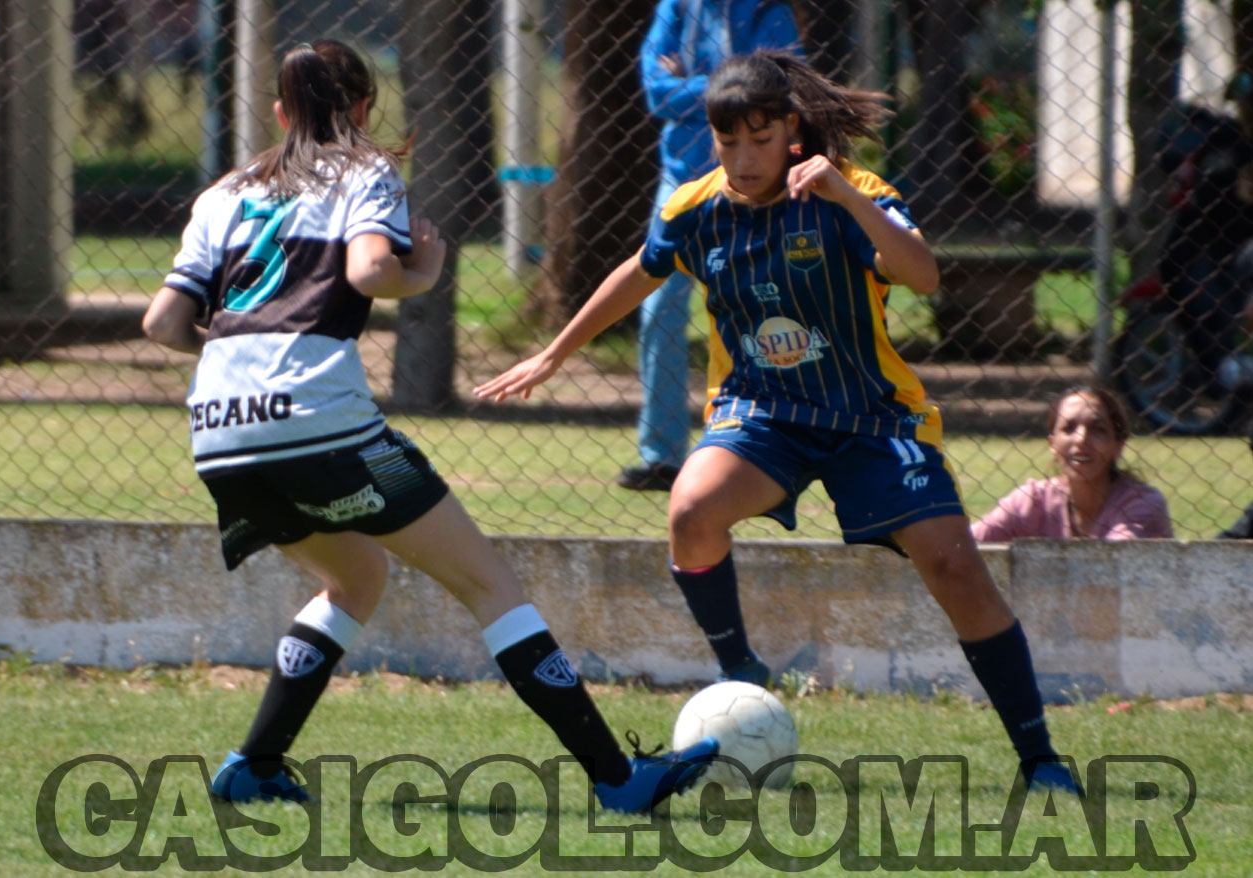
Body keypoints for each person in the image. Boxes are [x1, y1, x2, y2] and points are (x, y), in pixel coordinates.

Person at [477, 51, 1082, 793]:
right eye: (727, 141)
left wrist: (845, 195)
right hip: (762, 412)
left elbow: (923, 274)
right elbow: (641, 269)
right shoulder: (695, 208)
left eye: (760, 140)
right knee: (691, 511)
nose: (742, 158)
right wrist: (554, 352)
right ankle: (741, 672)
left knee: (955, 567)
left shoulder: (851, 192)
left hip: (872, 416)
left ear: (792, 130)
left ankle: (1038, 757)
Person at [141, 39, 715, 813]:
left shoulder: (225, 192)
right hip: (316, 422)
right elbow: (369, 271)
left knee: (356, 578)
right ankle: (617, 781)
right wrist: (428, 271)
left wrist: (240, 352)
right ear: (363, 109)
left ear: (280, 113)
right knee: (489, 585)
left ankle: (255, 765)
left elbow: (162, 322)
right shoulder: (366, 169)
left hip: (218, 432)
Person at [619, 0, 802, 492]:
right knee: (659, 308)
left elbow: (781, 94)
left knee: (769, 306)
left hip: (757, 186)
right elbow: (657, 95)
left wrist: (694, 85)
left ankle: (773, 442)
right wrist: (728, 90)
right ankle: (661, 456)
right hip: (682, 179)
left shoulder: (767, 10)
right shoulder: (677, 8)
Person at [972, 386, 1173, 542]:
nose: (1081, 439)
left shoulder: (1142, 504)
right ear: (1052, 444)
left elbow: (1108, 567)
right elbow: (966, 546)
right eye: (1069, 428)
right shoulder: (1032, 501)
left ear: (1118, 447)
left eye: (1098, 429)